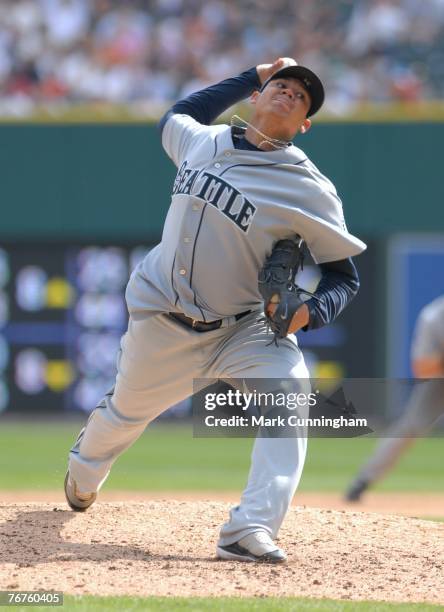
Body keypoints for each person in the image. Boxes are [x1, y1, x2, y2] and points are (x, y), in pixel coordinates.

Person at [65, 57, 366, 563]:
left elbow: (343, 278)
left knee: (291, 396)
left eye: (301, 96)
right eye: (281, 85)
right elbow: (178, 113)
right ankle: (84, 471)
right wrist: (254, 71)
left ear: (305, 124)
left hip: (245, 330)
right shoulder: (203, 141)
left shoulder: (308, 188)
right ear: (257, 97)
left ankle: (248, 529)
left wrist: (309, 313)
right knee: (121, 417)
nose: (289, 93)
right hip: (164, 320)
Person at [345, 295, 444, 502]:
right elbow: (422, 368)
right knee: (410, 427)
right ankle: (362, 481)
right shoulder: (434, 316)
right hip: (438, 379)